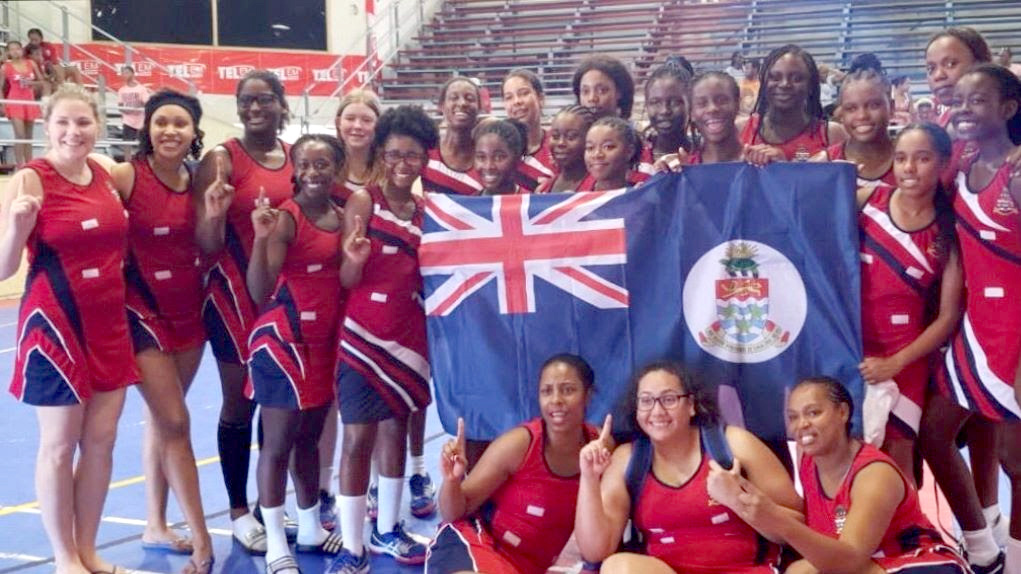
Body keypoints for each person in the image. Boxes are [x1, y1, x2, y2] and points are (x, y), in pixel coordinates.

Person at [1, 83, 139, 574]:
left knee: (101, 442)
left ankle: (89, 551)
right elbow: (2, 267)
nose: (73, 132)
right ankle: (65, 559)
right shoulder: (29, 179)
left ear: (97, 126)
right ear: (45, 125)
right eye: (62, 122)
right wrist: (18, 226)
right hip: (55, 324)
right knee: (59, 445)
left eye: (83, 122)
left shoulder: (105, 173)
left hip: (109, 322)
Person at [327, 105, 438, 574]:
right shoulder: (363, 202)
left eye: (411, 155)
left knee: (395, 433)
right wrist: (352, 258)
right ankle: (353, 548)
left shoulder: (429, 212)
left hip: (411, 339)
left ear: (423, 159)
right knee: (357, 441)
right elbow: (347, 277)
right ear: (381, 153)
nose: (401, 163)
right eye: (393, 153)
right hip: (361, 337)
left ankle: (387, 530)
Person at [109, 90, 213, 570]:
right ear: (146, 127)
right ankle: (202, 536)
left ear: (194, 133)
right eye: (161, 122)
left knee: (161, 420)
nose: (170, 131)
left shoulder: (197, 180)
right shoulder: (126, 176)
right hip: (141, 311)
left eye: (180, 124)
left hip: (189, 311)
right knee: (175, 422)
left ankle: (155, 521)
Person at [716, 376, 970, 574]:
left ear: (843, 412)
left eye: (813, 413)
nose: (802, 424)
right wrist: (743, 501)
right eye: (793, 417)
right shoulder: (809, 459)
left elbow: (848, 563)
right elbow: (808, 529)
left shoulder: (874, 475)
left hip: (916, 563)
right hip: (859, 562)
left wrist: (774, 517)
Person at [574, 361, 802, 573]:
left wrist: (740, 502)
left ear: (691, 405)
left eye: (669, 399)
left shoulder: (734, 445)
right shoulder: (627, 460)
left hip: (742, 568)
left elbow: (801, 528)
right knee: (618, 566)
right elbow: (595, 552)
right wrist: (589, 478)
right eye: (646, 400)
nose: (657, 411)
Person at [194, 69, 294, 553]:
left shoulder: (297, 158)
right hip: (232, 296)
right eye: (247, 100)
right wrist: (215, 214)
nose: (255, 108)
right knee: (240, 403)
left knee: (276, 403)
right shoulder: (221, 159)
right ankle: (237, 509)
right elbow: (206, 245)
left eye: (265, 99)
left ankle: (265, 504)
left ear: (280, 103)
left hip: (279, 297)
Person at [935, 63, 1021, 573]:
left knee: (1016, 461)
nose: (964, 111)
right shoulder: (961, 160)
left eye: (978, 101)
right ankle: (983, 543)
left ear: (1008, 109)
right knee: (935, 432)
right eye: (960, 101)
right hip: (974, 326)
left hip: (1014, 329)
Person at [247, 134, 347, 570]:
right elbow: (259, 288)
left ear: (335, 168)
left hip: (323, 343)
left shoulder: (342, 217)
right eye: (306, 164)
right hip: (283, 342)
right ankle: (274, 542)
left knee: (308, 439)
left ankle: (309, 525)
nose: (314, 172)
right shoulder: (285, 219)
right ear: (295, 168)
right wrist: (259, 238)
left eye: (323, 163)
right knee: (278, 443)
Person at [856, 123, 964, 482]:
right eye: (901, 158)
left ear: (944, 163)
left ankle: (909, 536)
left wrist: (894, 363)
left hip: (906, 355)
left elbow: (947, 317)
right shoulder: (868, 199)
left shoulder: (949, 229)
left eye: (922, 158)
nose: (909, 168)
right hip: (852, 349)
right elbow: (802, 195)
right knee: (854, 450)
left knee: (898, 453)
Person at [426, 354, 600, 574]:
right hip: (476, 543)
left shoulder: (600, 449)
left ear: (588, 395)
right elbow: (454, 513)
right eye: (547, 391)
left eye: (567, 390)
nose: (556, 399)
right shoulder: (518, 444)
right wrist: (452, 480)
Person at [321, 88, 382, 530]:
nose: (357, 126)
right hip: (328, 287)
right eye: (350, 118)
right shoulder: (322, 167)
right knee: (325, 395)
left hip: (373, 290)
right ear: (339, 123)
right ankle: (324, 487)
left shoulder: (391, 171)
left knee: (366, 397)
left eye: (366, 119)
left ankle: (374, 484)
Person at [739, 44, 847, 161]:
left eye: (796, 78)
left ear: (810, 85)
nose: (785, 84)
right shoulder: (740, 129)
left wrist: (786, 167)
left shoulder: (832, 134)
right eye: (775, 77)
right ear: (764, 83)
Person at [811, 60, 898, 201]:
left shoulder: (909, 161)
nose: (862, 116)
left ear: (892, 108)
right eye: (851, 108)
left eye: (874, 105)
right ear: (841, 113)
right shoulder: (822, 164)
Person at [421, 77, 482, 196]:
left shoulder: (485, 160)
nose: (462, 103)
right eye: (453, 98)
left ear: (479, 108)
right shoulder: (426, 151)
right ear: (442, 106)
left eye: (469, 98)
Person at [925, 27, 992, 129]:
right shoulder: (944, 122)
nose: (938, 75)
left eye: (950, 64)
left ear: (980, 64)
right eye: (931, 69)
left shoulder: (1001, 123)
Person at [502, 68, 554, 192]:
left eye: (524, 93)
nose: (517, 102)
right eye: (509, 97)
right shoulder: (499, 150)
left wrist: (557, 185)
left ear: (541, 99)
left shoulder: (558, 143)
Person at [639, 61, 693, 176]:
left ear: (690, 104)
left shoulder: (705, 154)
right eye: (655, 103)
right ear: (647, 106)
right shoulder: (634, 156)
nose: (664, 111)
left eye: (674, 102)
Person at [535, 104, 596, 193]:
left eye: (571, 137)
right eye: (555, 136)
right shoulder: (543, 190)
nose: (561, 143)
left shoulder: (599, 186)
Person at [1, 40, 44, 167]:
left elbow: (42, 82)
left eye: (17, 49)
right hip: (14, 101)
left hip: (29, 100)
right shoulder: (5, 67)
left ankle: (30, 164)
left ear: (21, 50)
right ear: (8, 52)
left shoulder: (31, 63)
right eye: (12, 49)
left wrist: (31, 83)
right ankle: (20, 164)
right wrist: (3, 105)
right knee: (20, 135)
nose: (15, 52)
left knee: (28, 137)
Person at [583, 116, 641, 192]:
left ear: (629, 151)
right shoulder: (574, 200)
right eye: (590, 148)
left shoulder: (641, 196)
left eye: (608, 147)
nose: (597, 154)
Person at [474, 118, 528, 196]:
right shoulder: (465, 206)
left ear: (517, 159)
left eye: (498, 157)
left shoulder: (534, 204)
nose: (488, 166)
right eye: (481, 157)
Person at [572, 55, 636, 121]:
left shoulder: (628, 131)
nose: (592, 98)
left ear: (619, 92)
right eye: (585, 91)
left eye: (601, 90)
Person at [116, 66, 150, 144]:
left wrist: (136, 108)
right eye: (123, 73)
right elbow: (120, 105)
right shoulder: (121, 90)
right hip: (127, 122)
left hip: (140, 122)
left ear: (133, 74)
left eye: (127, 73)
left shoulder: (141, 89)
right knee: (127, 145)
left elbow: (147, 103)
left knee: (141, 145)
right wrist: (126, 110)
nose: (125, 75)